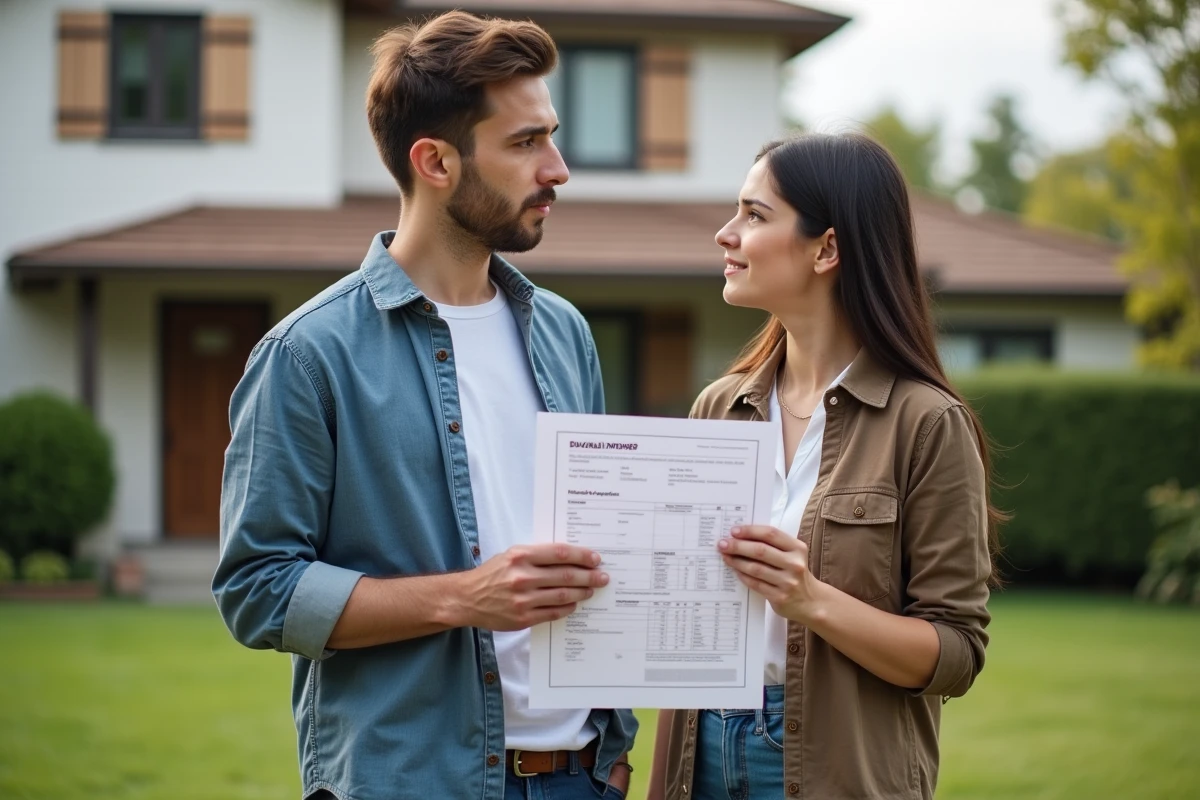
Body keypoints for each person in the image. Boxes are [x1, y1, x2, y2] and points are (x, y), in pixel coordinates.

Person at [213, 11, 636, 800]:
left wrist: (609, 760)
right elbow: (257, 590)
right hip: (413, 781)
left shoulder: (566, 333)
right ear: (435, 161)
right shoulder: (309, 355)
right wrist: (463, 598)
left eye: (552, 135)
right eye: (524, 143)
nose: (559, 169)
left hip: (581, 776)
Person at [648, 132, 999, 800]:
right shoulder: (718, 407)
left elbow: (956, 655)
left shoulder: (926, 423)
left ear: (827, 248)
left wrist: (811, 600)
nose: (726, 234)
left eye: (754, 215)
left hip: (835, 770)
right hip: (699, 753)